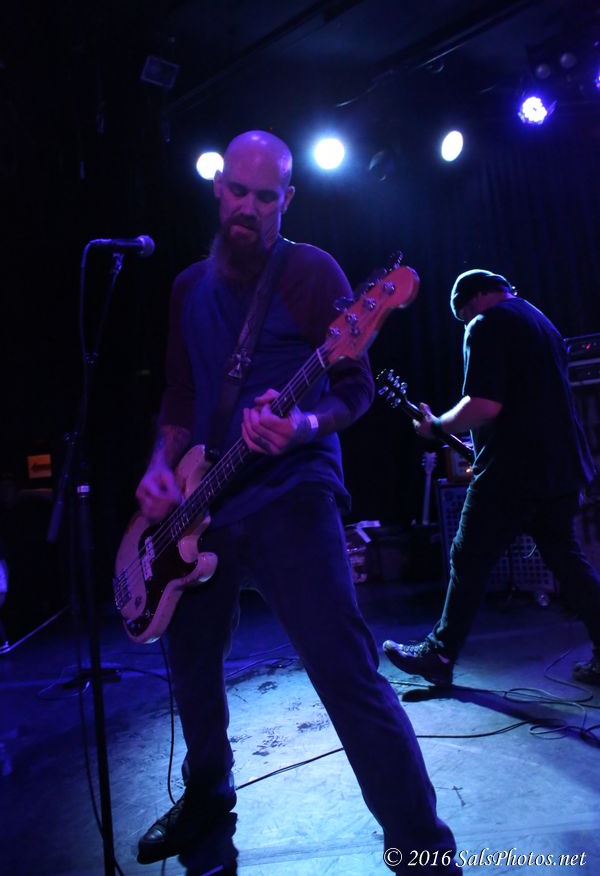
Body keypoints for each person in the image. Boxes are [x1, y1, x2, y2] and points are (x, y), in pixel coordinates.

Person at [134, 130, 458, 873]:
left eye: (265, 196)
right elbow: (179, 395)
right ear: (218, 189)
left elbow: (355, 387)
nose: (248, 208)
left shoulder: (311, 271)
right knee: (190, 664)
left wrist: (304, 426)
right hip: (204, 504)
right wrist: (159, 464)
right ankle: (207, 796)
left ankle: (421, 846)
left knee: (344, 670)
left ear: (288, 198)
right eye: (237, 192)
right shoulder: (186, 287)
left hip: (292, 491)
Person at [383, 269, 600, 688]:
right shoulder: (541, 321)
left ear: (472, 302)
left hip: (513, 472)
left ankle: (439, 654)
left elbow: (484, 404)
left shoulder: (486, 322)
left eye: (463, 317)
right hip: (563, 467)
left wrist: (436, 425)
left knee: (467, 556)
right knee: (567, 561)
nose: (465, 324)